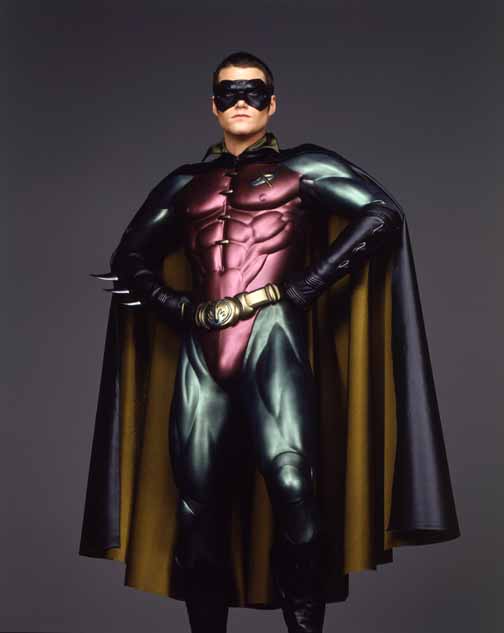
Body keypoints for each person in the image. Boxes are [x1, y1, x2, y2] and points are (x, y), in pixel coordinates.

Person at [79, 51, 460, 633]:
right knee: (196, 505)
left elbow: (382, 213)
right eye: (228, 92)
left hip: (272, 335)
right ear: (213, 105)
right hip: (202, 348)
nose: (240, 101)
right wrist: (179, 307)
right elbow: (130, 256)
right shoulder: (186, 182)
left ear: (272, 102)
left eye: (253, 91)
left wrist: (306, 285)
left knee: (292, 485)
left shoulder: (302, 167)